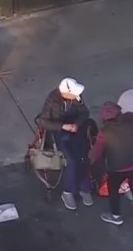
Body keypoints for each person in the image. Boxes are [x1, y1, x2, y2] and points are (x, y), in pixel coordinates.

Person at [35, 77, 93, 211]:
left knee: (83, 159)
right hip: (58, 134)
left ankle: (85, 188)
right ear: (65, 93)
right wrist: (63, 126)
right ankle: (68, 191)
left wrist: (76, 125)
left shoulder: (76, 97)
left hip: (76, 131)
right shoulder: (52, 100)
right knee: (71, 162)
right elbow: (43, 121)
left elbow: (84, 113)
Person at [90, 102, 133, 226]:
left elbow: (97, 154)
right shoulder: (131, 125)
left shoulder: (104, 133)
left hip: (117, 168)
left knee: (113, 189)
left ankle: (116, 216)